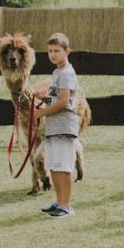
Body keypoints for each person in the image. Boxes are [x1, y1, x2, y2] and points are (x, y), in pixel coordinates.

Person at [34, 33, 81, 219]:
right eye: (50, 51)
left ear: (66, 51)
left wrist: (41, 112)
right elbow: (58, 97)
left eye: (57, 51)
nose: (53, 55)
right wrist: (44, 99)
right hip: (53, 127)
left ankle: (66, 205)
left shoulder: (67, 73)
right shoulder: (56, 73)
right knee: (53, 165)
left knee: (64, 166)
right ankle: (59, 201)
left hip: (64, 126)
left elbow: (63, 103)